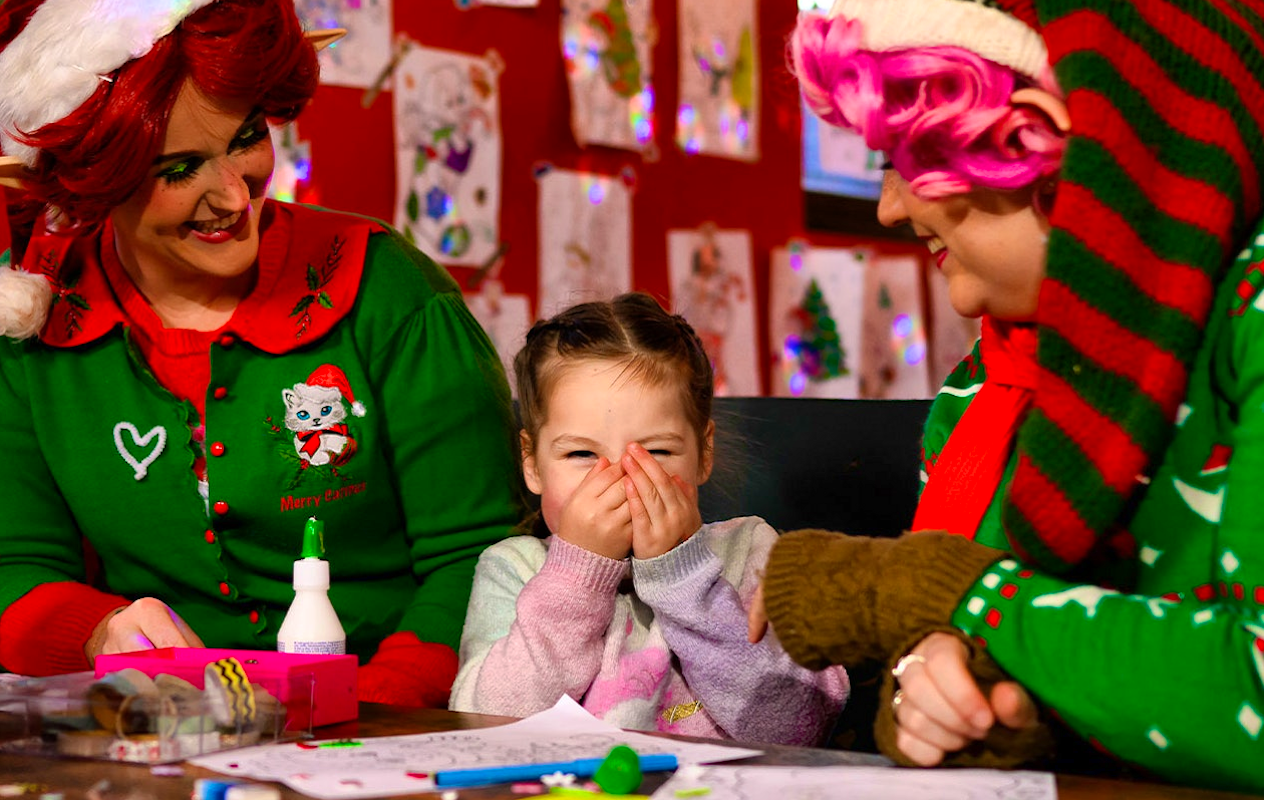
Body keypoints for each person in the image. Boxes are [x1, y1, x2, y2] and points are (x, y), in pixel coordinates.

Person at [748, 0, 1264, 793]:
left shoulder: (1252, 315)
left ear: (1039, 140)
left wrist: (923, 588)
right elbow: (958, 652)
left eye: (903, 161)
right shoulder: (980, 386)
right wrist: (953, 700)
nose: (888, 208)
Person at [0, 0, 522, 708]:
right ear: (98, 177)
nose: (232, 194)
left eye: (245, 138)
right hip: (168, 730)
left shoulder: (386, 288)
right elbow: (15, 568)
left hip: (397, 718)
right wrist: (99, 632)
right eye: (181, 169)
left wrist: (370, 713)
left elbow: (481, 557)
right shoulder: (30, 316)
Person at [450, 293, 849, 745]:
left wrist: (684, 578)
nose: (622, 479)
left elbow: (799, 728)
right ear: (533, 464)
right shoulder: (513, 569)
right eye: (582, 453)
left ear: (703, 452)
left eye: (656, 452)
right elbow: (482, 729)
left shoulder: (752, 551)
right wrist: (577, 577)